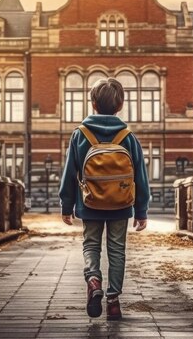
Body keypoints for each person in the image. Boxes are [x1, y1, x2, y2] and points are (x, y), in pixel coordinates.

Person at [59, 77, 150, 321]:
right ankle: (113, 301)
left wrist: (67, 205)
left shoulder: (80, 134)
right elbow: (140, 176)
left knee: (91, 245)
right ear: (120, 105)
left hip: (89, 203)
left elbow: (70, 173)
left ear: (93, 103)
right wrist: (141, 210)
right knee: (117, 250)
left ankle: (94, 279)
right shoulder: (128, 137)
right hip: (121, 205)